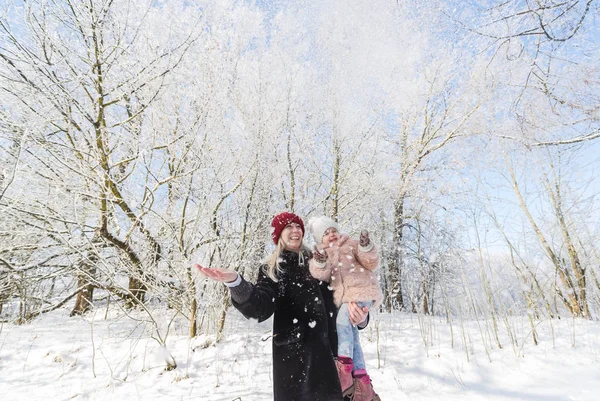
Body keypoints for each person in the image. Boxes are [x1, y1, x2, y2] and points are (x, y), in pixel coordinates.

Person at [196, 212, 370, 401]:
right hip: (298, 361)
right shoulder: (272, 269)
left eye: (298, 226)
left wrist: (361, 317)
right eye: (288, 227)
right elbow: (260, 307)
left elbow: (349, 293)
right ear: (278, 235)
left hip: (337, 356)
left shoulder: (322, 262)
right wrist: (236, 282)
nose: (295, 230)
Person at [308, 216, 383, 401]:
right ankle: (361, 380)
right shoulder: (324, 256)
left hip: (359, 292)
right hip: (345, 305)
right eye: (325, 234)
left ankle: (345, 368)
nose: (331, 234)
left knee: (343, 323)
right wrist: (319, 261)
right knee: (353, 338)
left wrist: (366, 246)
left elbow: (370, 261)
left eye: (333, 230)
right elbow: (321, 273)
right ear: (319, 241)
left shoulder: (350, 244)